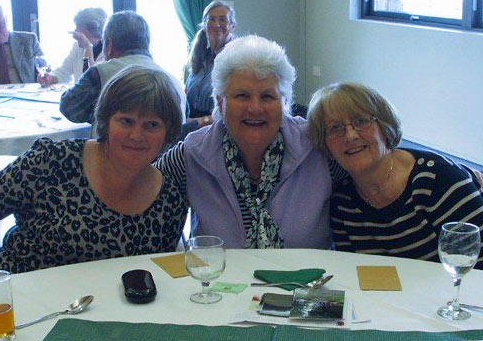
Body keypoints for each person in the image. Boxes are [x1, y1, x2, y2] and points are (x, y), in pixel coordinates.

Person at [0, 66, 188, 286]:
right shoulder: (53, 162)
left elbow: (151, 278)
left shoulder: (169, 201)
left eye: (152, 125)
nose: (136, 135)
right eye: (126, 121)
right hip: (11, 301)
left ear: (167, 132)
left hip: (96, 320)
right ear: (105, 120)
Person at [156, 35, 335, 249]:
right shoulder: (192, 154)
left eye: (267, 97)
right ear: (220, 102)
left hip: (309, 280)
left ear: (285, 102)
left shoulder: (318, 147)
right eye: (242, 96)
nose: (255, 108)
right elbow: (145, 185)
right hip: (220, 281)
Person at [307, 82, 483, 268]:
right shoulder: (342, 204)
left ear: (384, 125)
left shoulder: (438, 180)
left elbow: (477, 268)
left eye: (361, 121)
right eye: (335, 129)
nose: (350, 136)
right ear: (325, 144)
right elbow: (354, 275)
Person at [60, 10, 186, 125]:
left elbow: (69, 108)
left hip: (120, 149)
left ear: (108, 45)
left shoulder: (101, 74)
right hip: (170, 150)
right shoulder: (174, 81)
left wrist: (96, 115)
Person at [182, 1, 237, 136]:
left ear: (232, 26)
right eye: (211, 19)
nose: (217, 24)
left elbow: (233, 109)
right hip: (191, 129)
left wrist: (198, 122)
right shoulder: (199, 59)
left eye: (223, 19)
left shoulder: (236, 60)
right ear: (204, 26)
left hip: (218, 132)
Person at [39, 8, 108, 87]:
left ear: (93, 29)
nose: (75, 31)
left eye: (78, 27)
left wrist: (88, 47)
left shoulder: (109, 52)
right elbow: (64, 72)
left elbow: (94, 81)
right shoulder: (77, 47)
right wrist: (51, 78)